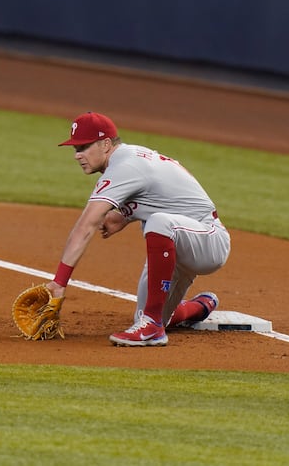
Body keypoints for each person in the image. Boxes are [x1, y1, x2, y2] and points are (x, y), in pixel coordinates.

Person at [45, 111, 231, 346]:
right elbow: (163, 194)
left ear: (105, 144)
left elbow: (86, 224)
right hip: (181, 241)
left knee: (158, 222)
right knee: (146, 315)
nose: (77, 155)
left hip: (208, 240)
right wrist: (123, 215)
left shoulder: (125, 166)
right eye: (75, 149)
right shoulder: (131, 158)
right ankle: (198, 307)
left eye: (83, 147)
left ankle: (152, 328)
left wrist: (60, 282)